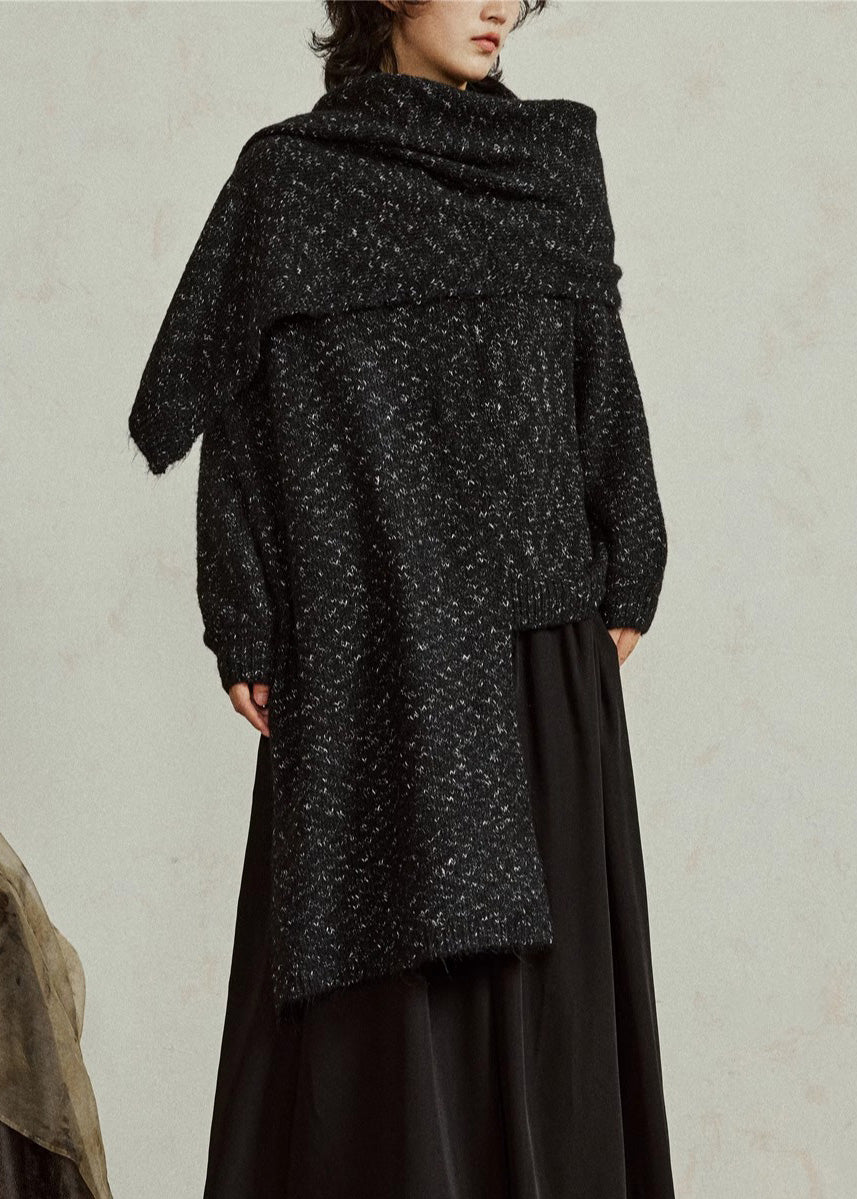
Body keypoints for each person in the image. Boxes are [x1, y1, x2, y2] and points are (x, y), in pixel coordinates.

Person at [128, 1, 675, 1195]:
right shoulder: (292, 178)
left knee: (546, 1021)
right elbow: (229, 406)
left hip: (536, 649)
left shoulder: (550, 159)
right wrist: (246, 609)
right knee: (374, 1029)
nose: (498, 7)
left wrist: (628, 556)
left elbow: (600, 371)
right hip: (363, 645)